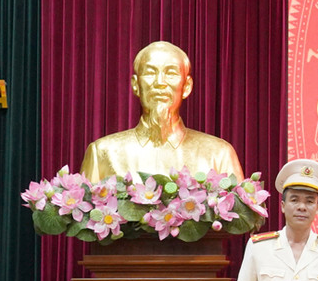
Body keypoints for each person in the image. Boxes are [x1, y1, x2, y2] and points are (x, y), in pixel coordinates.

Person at [79, 41, 244, 179]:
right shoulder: (102, 152)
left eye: (170, 73)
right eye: (150, 73)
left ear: (186, 86)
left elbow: (240, 216)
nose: (159, 82)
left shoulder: (219, 154)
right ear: (136, 85)